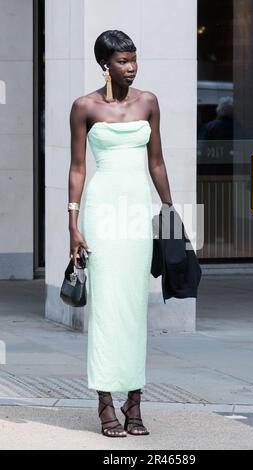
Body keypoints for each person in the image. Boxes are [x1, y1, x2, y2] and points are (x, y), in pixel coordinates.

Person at [67, 30, 173, 438]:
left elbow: (158, 162)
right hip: (102, 212)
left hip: (135, 215)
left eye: (134, 60)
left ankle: (135, 401)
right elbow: (77, 168)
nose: (130, 67)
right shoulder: (84, 107)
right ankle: (105, 403)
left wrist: (169, 211)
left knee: (134, 309)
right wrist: (72, 224)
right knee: (106, 310)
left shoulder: (149, 102)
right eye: (122, 61)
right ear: (105, 65)